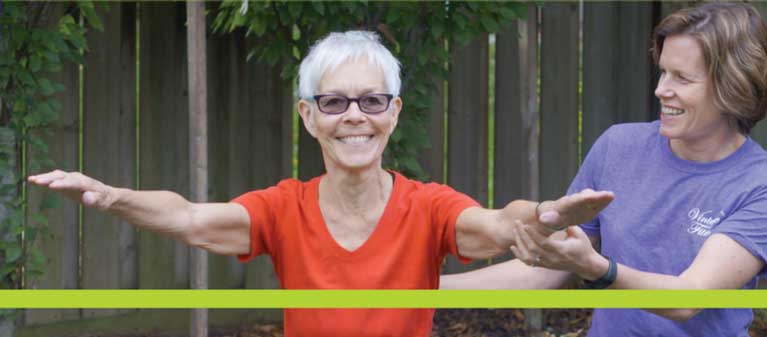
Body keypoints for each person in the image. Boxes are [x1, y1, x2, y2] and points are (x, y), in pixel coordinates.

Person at [28, 31, 613, 337]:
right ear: (309, 117)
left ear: (394, 112)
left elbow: (496, 223)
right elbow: (188, 218)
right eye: (333, 102)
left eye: (371, 100)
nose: (353, 115)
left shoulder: (428, 207)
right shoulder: (283, 208)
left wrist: (539, 216)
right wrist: (111, 197)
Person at [441, 3, 767, 337]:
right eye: (663, 71)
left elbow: (687, 299)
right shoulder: (619, 147)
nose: (661, 89)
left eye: (682, 78)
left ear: (734, 86)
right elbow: (543, 272)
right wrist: (427, 289)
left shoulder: (757, 185)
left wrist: (597, 269)